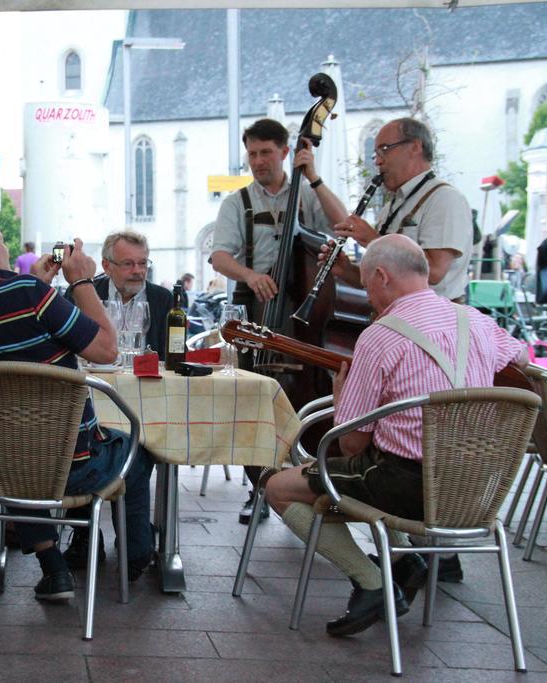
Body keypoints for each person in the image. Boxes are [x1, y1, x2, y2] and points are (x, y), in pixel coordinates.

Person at [264, 234, 527, 637]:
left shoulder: (380, 337)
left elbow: (353, 446)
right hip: (477, 490)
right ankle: (406, 563)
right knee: (349, 475)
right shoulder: (477, 321)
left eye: (366, 284)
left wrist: (342, 396)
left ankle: (372, 582)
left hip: (409, 486)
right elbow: (522, 361)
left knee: (280, 486)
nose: (367, 296)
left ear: (382, 276)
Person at [0, 208, 156, 600]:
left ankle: (55, 568)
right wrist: (81, 281)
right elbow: (106, 349)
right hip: (76, 470)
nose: (4, 247)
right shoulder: (29, 295)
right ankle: (137, 558)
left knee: (18, 443)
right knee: (140, 450)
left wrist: (38, 289)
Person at [209, 117, 348, 524]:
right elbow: (220, 256)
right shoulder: (237, 203)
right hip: (259, 314)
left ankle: (310, 482)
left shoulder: (306, 193)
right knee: (255, 403)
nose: (258, 161)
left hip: (308, 312)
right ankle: (260, 488)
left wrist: (315, 178)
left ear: (286, 152)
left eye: (266, 152)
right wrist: (250, 276)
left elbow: (343, 227)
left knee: (309, 398)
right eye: (252, 154)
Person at [327, 117, 473, 303]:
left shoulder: (444, 199)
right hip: (397, 320)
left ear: (415, 147)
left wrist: (372, 240)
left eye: (384, 150)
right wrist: (346, 270)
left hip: (431, 323)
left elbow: (435, 272)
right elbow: (385, 279)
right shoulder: (392, 206)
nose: (378, 162)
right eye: (376, 154)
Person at [73, 230, 172, 360]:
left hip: (146, 379)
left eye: (142, 263)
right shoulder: (85, 293)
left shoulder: (163, 299)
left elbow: (172, 354)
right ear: (107, 266)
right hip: (95, 378)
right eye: (128, 264)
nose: (137, 271)